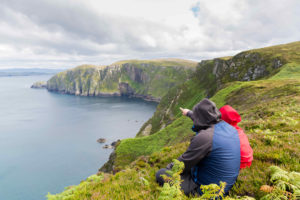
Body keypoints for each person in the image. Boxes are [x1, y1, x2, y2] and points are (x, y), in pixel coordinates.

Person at [156, 98, 240, 196]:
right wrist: (188, 113)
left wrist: (169, 169)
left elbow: (183, 163)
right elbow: (204, 119)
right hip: (224, 185)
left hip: (205, 191)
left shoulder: (205, 137)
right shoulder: (229, 128)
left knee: (161, 173)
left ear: (200, 118)